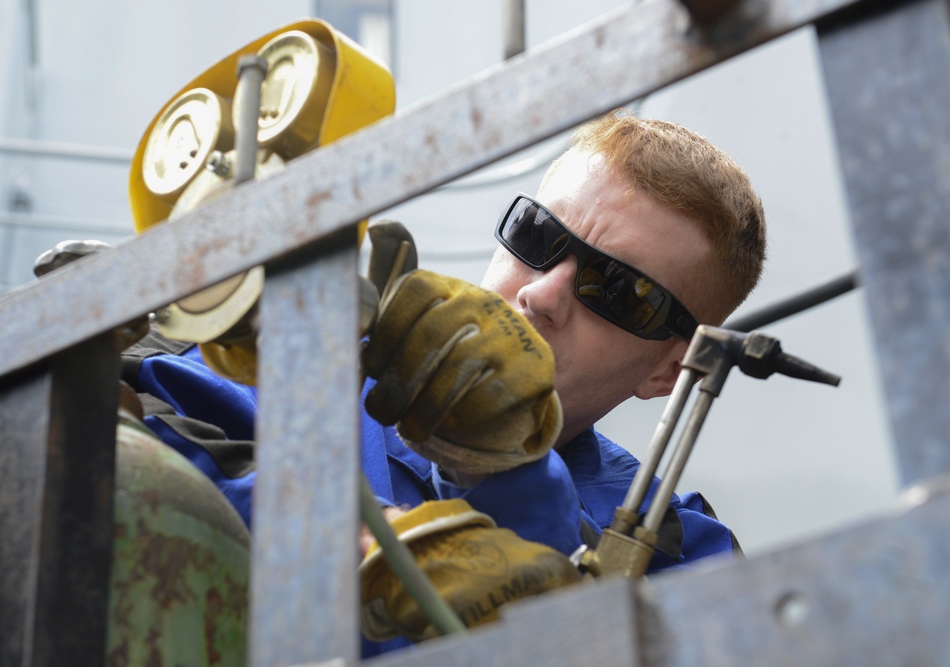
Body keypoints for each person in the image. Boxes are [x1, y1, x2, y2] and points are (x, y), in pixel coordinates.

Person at [121, 111, 766, 653]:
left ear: (668, 370)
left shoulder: (678, 551)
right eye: (535, 234)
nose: (541, 295)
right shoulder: (274, 357)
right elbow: (103, 441)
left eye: (621, 292)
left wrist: (518, 492)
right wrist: (368, 544)